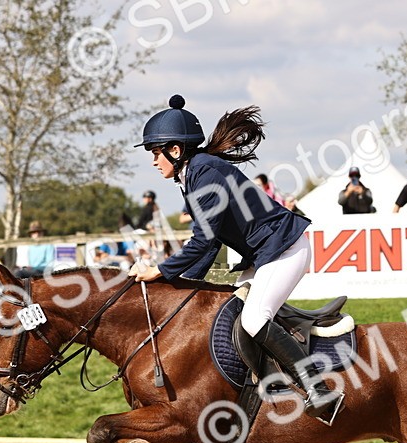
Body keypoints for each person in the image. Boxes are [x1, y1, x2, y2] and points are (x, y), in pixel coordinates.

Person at [129, 95, 343, 424]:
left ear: (175, 150)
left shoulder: (204, 172)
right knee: (231, 316)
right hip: (265, 254)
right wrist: (183, 283)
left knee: (254, 319)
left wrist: (160, 270)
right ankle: (261, 388)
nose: (154, 161)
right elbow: (208, 243)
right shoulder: (193, 174)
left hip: (284, 250)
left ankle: (317, 387)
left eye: (156, 152)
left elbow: (204, 240)